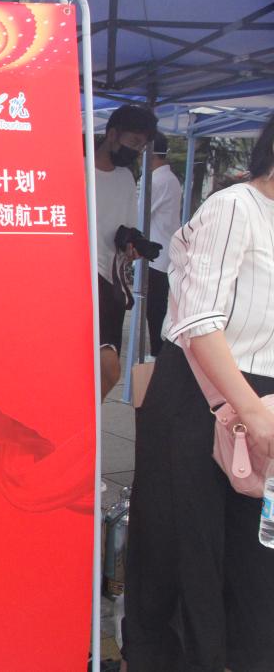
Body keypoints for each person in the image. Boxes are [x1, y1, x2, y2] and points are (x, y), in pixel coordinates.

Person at [122, 113, 274, 671]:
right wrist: (252, 412)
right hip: (202, 394)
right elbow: (198, 321)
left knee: (255, 558)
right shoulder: (234, 207)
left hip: (264, 403)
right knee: (186, 550)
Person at [94, 105, 157, 396]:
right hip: (75, 280)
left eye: (142, 146)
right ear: (112, 134)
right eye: (133, 142)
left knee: (109, 369)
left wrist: (134, 246)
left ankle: (84, 418)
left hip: (110, 283)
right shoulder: (76, 169)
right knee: (106, 366)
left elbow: (126, 228)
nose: (137, 150)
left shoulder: (125, 178)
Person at [142, 132, 183, 358]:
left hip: (157, 256)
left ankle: (157, 353)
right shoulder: (169, 179)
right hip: (164, 251)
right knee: (157, 306)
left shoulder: (158, 180)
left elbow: (140, 213)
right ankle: (157, 351)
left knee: (155, 308)